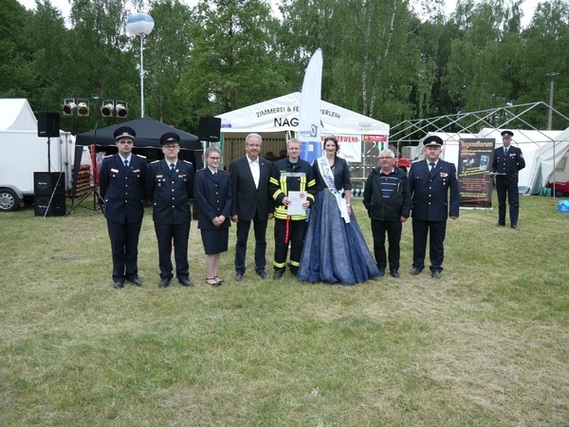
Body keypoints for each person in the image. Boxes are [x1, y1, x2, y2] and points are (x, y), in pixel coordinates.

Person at [298, 136, 380, 285]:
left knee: (340, 233)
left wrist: (348, 205)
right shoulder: (318, 163)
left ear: (336, 147)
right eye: (328, 145)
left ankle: (342, 268)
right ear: (324, 147)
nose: (330, 148)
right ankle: (321, 268)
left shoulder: (342, 163)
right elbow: (314, 184)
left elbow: (347, 185)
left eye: (332, 145)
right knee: (320, 233)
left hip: (338, 201)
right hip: (321, 202)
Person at [98, 125, 147, 289]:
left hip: (134, 210)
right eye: (122, 142)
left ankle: (132, 274)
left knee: (132, 245)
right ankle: (118, 276)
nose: (126, 145)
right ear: (116, 144)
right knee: (117, 246)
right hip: (115, 211)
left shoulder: (141, 162)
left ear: (133, 144)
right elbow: (104, 186)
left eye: (128, 142)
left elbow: (143, 186)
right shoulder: (108, 163)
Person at [145, 132, 195, 288]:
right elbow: (148, 191)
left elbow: (191, 190)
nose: (171, 149)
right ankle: (165, 275)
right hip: (162, 214)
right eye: (168, 146)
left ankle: (183, 275)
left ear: (179, 148)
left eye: (174, 146)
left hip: (181, 213)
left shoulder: (187, 167)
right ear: (163, 149)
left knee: (182, 246)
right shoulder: (154, 167)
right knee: (164, 246)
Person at [408, 135, 459, 279]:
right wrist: (406, 210)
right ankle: (417, 265)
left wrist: (454, 211)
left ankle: (436, 267)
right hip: (419, 210)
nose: (432, 151)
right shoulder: (416, 166)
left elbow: (455, 191)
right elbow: (408, 190)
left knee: (437, 242)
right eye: (430, 148)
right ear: (425, 150)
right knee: (419, 240)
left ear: (440, 151)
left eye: (435, 148)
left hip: (439, 211)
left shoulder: (449, 167)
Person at [269, 138, 317, 279]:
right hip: (282, 214)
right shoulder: (278, 166)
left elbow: (313, 188)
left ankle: (295, 268)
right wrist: (282, 197)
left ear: (300, 150)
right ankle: (279, 269)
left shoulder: (306, 167)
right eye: (291, 148)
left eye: (296, 148)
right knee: (281, 242)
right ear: (287, 149)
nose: (294, 151)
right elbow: (272, 186)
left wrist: (308, 200)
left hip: (300, 215)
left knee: (298, 242)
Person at [229, 133, 274, 281]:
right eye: (252, 145)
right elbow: (233, 190)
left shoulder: (267, 165)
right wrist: (233, 211)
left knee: (261, 241)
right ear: (246, 146)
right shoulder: (236, 164)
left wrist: (270, 209)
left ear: (260, 148)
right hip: (243, 209)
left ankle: (260, 268)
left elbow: (270, 189)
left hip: (262, 209)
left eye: (257, 145)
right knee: (241, 240)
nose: (254, 148)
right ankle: (239, 270)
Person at [363, 149, 411, 278]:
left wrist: (405, 213)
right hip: (377, 216)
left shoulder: (401, 175)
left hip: (395, 216)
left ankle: (394, 268)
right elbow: (366, 195)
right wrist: (371, 209)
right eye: (382, 157)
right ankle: (381, 266)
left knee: (394, 243)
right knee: (378, 243)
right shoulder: (373, 175)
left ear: (394, 160)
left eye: (387, 157)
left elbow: (407, 196)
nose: (384, 160)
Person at [194, 146, 232, 286]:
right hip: (208, 219)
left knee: (219, 248)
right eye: (212, 158)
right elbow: (200, 198)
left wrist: (223, 215)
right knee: (211, 249)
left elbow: (229, 197)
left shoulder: (225, 176)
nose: (215, 160)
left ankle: (215, 274)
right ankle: (209, 276)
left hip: (222, 218)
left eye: (217, 158)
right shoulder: (200, 176)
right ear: (206, 159)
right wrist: (212, 217)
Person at [490, 130, 525, 230]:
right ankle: (501, 221)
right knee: (501, 201)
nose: (505, 141)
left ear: (510, 140)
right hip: (500, 180)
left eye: (507, 139)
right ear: (502, 140)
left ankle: (514, 223)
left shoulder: (516, 150)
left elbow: (522, 164)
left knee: (513, 201)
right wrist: (492, 172)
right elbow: (494, 165)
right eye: (504, 139)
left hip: (512, 179)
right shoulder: (497, 151)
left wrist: (513, 170)